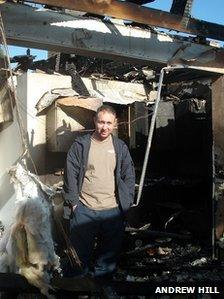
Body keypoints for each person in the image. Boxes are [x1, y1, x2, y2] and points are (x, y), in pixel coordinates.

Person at [62, 104, 135, 278]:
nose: (105, 127)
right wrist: (74, 203)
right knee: (79, 258)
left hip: (112, 211)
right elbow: (70, 175)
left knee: (107, 260)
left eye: (109, 123)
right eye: (101, 122)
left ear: (115, 124)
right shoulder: (81, 145)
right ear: (95, 121)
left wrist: (126, 201)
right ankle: (78, 289)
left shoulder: (120, 147)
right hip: (84, 209)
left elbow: (129, 175)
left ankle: (102, 288)